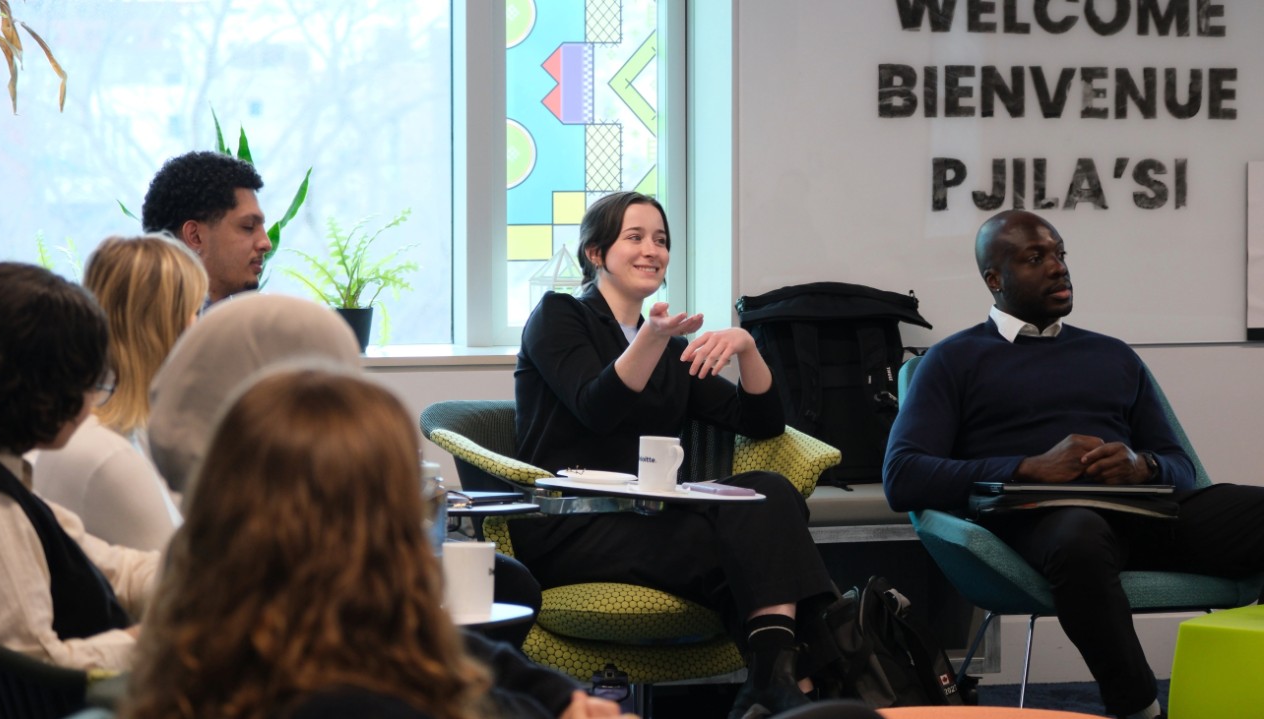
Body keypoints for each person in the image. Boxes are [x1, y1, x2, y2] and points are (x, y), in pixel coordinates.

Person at [882, 209, 1264, 719]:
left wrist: (1142, 465)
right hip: (1041, 519)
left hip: (1143, 514)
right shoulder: (952, 360)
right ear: (994, 279)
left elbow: (1180, 467)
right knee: (1079, 535)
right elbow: (902, 476)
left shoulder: (1113, 355)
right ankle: (1140, 709)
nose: (1058, 267)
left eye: (1060, 254)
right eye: (1036, 258)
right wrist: (1026, 468)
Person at [513, 191, 843, 719]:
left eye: (661, 240)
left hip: (653, 521)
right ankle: (796, 684)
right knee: (757, 545)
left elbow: (761, 423)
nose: (652, 250)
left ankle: (773, 680)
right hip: (572, 523)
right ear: (596, 253)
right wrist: (650, 337)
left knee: (769, 492)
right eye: (635, 237)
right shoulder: (560, 316)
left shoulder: (667, 348)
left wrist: (748, 347)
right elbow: (597, 407)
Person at [123, 367, 544, 719]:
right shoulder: (365, 698)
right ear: (386, 524)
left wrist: (554, 695)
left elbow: (441, 649)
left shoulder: (197, 656)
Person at [0, 263, 158, 670]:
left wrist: (210, 576)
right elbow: (31, 663)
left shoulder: (8, 477)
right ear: (45, 388)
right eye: (88, 379)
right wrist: (147, 640)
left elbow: (116, 568)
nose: (94, 396)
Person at [34, 234, 207, 550]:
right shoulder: (108, 453)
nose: (199, 329)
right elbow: (174, 587)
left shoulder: (123, 427)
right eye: (193, 312)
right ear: (163, 327)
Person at [141, 150, 270, 305]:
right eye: (248, 227)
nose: (266, 243)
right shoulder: (163, 327)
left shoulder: (231, 323)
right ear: (195, 236)